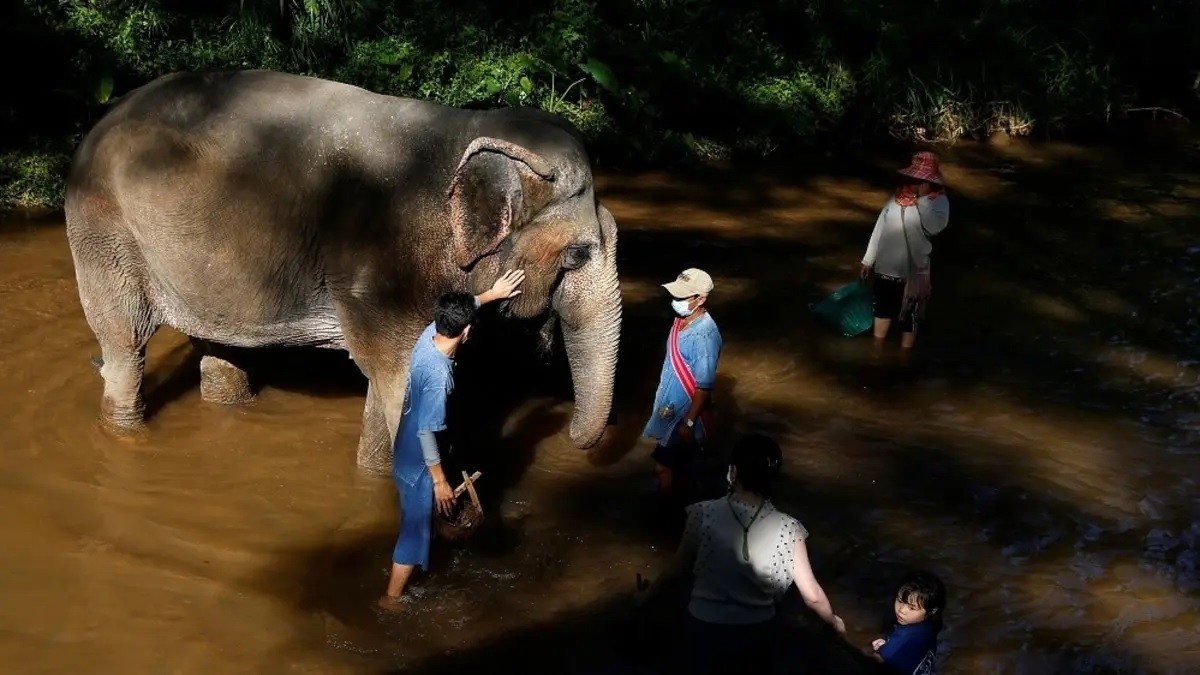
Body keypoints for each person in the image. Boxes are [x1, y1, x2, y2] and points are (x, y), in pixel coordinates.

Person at [377, 270, 525, 610]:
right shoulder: (440, 376)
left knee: (415, 522)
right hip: (420, 468)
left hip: (403, 455)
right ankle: (390, 599)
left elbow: (459, 309)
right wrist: (440, 482)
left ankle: (412, 567)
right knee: (413, 536)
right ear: (468, 331)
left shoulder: (428, 337)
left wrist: (491, 294)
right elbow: (427, 431)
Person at [637, 433, 845, 674]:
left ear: (733, 473)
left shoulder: (702, 514)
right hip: (756, 633)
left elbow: (677, 571)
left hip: (703, 629)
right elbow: (813, 597)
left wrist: (646, 597)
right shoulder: (789, 529)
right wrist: (833, 623)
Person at [642, 268, 722, 499]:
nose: (676, 301)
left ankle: (668, 518)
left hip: (684, 417)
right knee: (678, 472)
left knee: (664, 469)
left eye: (682, 297)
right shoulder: (682, 320)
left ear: (701, 299)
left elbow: (704, 387)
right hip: (670, 411)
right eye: (675, 295)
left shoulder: (704, 337)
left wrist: (688, 423)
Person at [859, 151, 951, 352]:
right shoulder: (896, 197)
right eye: (915, 178)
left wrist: (923, 200)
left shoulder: (939, 202)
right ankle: (876, 354)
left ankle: (903, 359)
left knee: (909, 320)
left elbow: (933, 227)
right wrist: (868, 259)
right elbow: (879, 228)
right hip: (886, 269)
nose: (916, 182)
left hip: (913, 273)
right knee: (882, 313)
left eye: (921, 179)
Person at [870, 570, 946, 674]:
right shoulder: (931, 626)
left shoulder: (904, 638)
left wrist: (887, 649)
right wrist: (888, 644)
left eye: (912, 608)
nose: (901, 610)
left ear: (932, 611)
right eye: (900, 600)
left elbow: (873, 665)